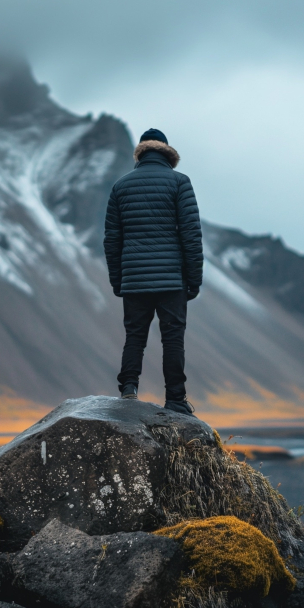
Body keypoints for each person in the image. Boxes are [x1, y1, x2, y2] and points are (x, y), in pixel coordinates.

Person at [103, 128, 203, 415]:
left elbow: (112, 240)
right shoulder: (180, 183)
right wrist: (193, 282)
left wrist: (118, 281)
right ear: (167, 154)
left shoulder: (120, 187)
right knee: (172, 337)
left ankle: (128, 388)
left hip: (134, 278)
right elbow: (191, 236)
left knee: (135, 335)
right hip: (172, 280)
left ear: (142, 153)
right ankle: (175, 399)